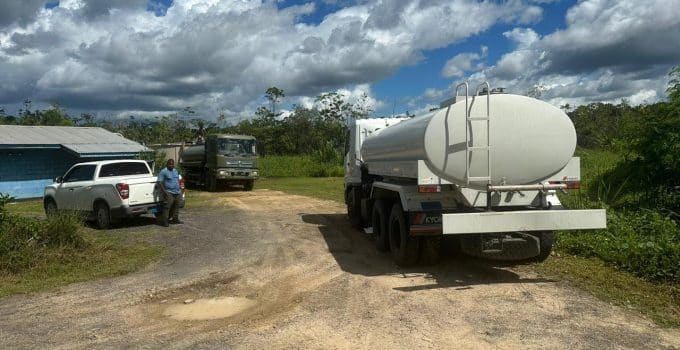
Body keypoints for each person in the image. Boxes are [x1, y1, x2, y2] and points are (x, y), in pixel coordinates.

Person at [157, 159, 183, 226]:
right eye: (170, 164)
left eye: (172, 164)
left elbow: (177, 180)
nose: (171, 165)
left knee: (177, 206)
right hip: (169, 192)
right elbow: (159, 182)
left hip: (177, 191)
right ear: (167, 164)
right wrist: (165, 191)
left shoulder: (175, 171)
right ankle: (165, 221)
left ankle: (175, 219)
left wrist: (180, 188)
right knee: (167, 207)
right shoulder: (163, 171)